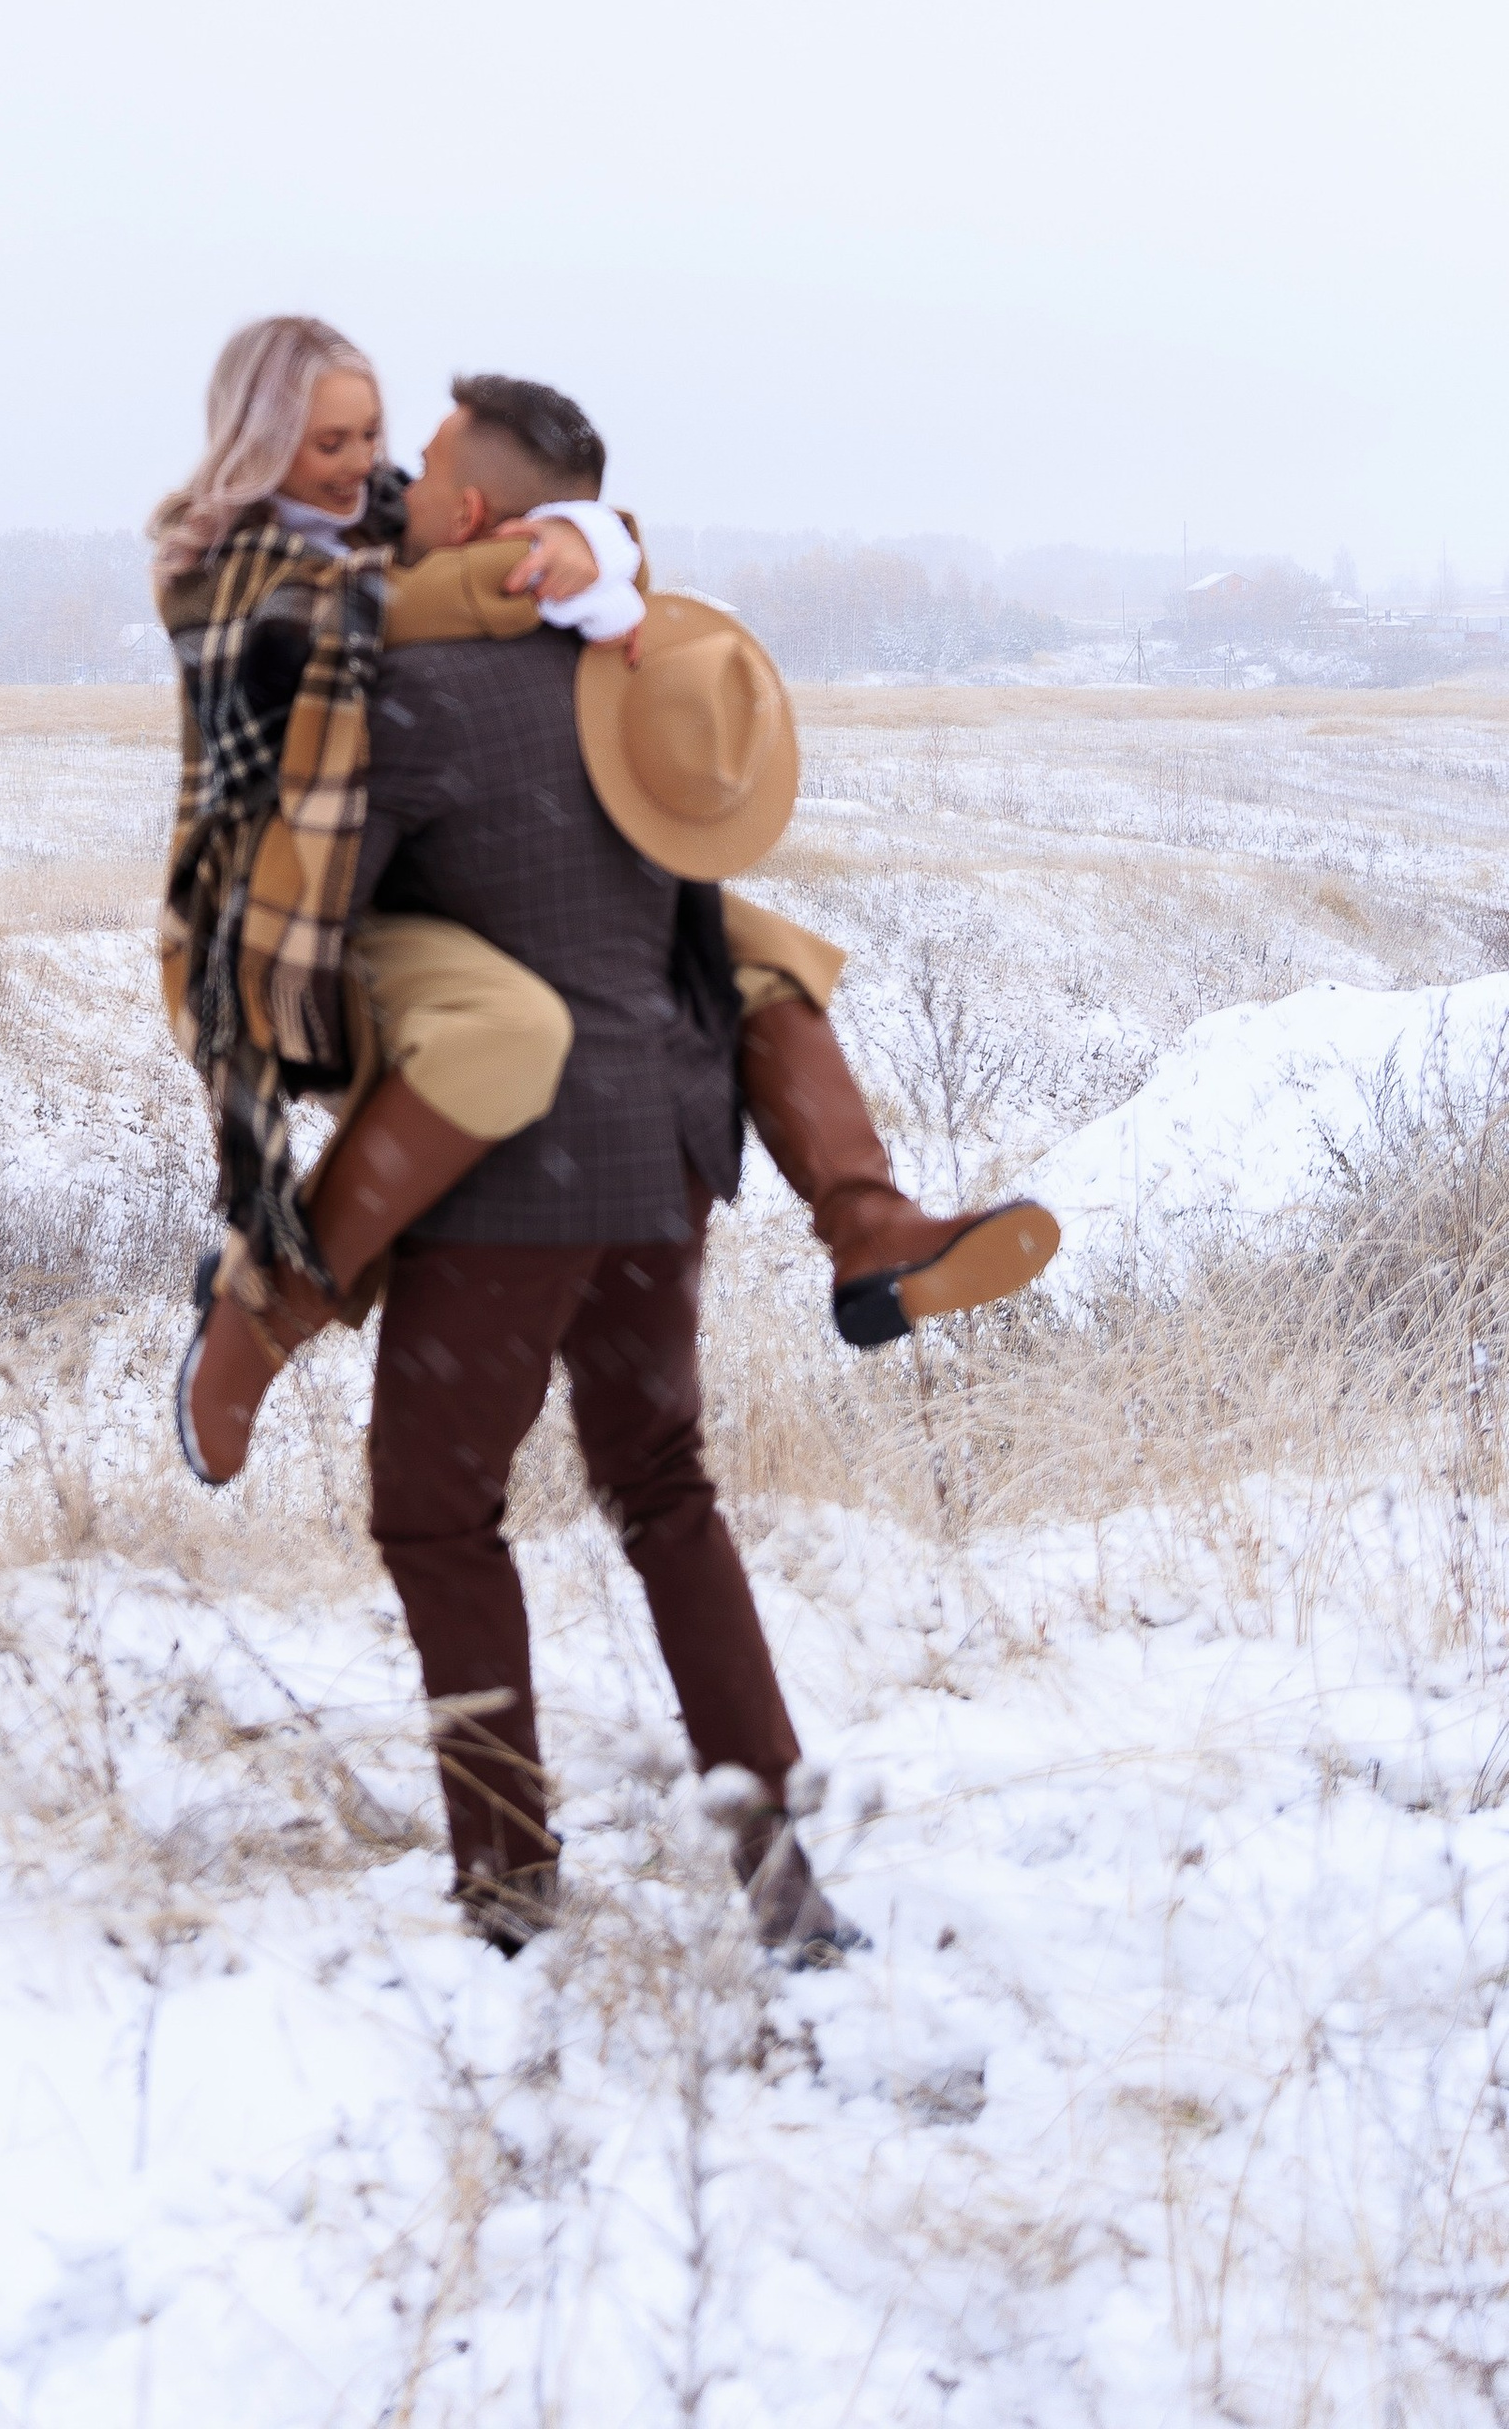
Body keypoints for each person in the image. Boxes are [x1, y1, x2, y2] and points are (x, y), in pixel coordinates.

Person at [333, 373, 1058, 1957]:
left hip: (508, 1178)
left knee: (437, 1520)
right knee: (665, 1495)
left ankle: (512, 1889)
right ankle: (784, 1890)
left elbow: (322, 933)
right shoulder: (638, 663)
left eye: (432, 471)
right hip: (674, 1150)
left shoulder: (416, 695)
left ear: (472, 516)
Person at [154, 320, 647, 1488]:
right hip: (271, 925)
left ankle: (859, 1210)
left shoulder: (387, 513)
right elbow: (367, 609)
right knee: (510, 1033)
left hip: (392, 887)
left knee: (704, 948)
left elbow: (508, 526)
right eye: (326, 439)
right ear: (258, 442)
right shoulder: (209, 564)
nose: (356, 460)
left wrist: (586, 539)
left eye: (371, 434)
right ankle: (263, 1311)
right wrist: (554, 557)